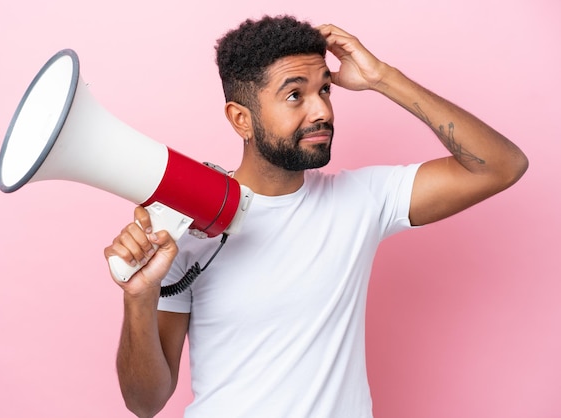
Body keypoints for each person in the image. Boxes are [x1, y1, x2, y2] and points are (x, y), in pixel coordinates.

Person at [103, 15, 528, 418]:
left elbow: (500, 165)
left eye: (325, 89)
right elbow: (145, 403)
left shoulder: (363, 200)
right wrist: (139, 297)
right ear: (241, 120)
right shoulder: (187, 227)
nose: (322, 110)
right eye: (295, 95)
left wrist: (383, 78)